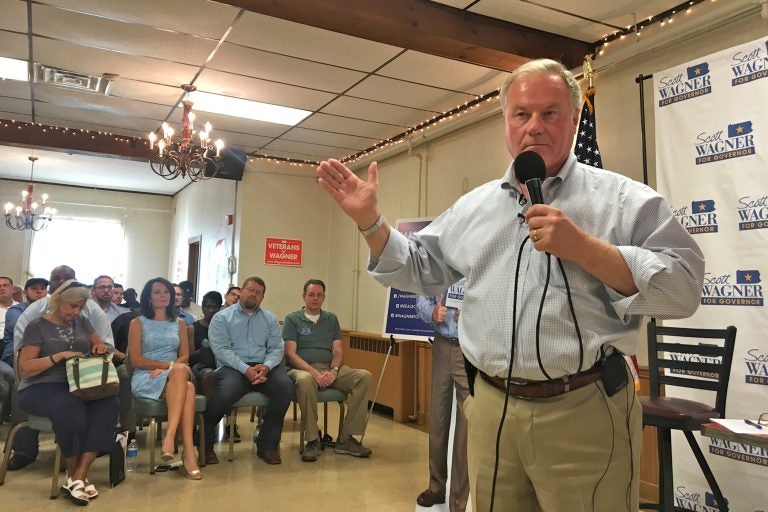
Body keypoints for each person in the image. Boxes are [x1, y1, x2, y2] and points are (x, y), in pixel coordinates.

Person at [316, 58, 704, 511]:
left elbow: (683, 288)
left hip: (585, 410)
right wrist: (370, 224)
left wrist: (584, 248)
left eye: (550, 113)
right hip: (492, 413)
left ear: (576, 119)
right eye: (522, 114)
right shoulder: (475, 207)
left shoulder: (623, 200)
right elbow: (420, 267)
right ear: (505, 122)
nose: (534, 127)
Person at [17, 280, 118, 505]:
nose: (77, 311)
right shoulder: (37, 326)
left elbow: (101, 346)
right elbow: (26, 368)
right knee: (69, 407)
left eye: (81, 307)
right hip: (40, 386)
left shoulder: (82, 322)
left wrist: (99, 349)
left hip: (78, 384)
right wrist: (58, 356)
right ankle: (76, 478)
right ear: (59, 301)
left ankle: (78, 477)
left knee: (109, 403)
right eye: (73, 306)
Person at [203, 277, 292, 466]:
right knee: (227, 389)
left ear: (262, 297)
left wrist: (266, 366)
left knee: (285, 386)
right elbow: (221, 350)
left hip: (263, 366)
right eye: (250, 290)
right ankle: (205, 443)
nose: (254, 294)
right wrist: (246, 369)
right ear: (241, 291)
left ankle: (267, 445)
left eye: (258, 292)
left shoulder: (269, 318)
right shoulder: (222, 317)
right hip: (233, 367)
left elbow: (277, 348)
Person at [283, 279, 372, 462]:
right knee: (306, 379)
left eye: (319, 295)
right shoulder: (292, 319)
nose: (315, 299)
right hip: (301, 369)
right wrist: (314, 373)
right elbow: (291, 354)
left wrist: (334, 370)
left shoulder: (331, 318)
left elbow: (338, 350)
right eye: (311, 295)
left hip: (329, 368)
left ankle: (346, 439)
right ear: (303, 296)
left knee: (363, 376)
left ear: (324, 297)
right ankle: (313, 440)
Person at [128, 277, 202, 480]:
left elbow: (185, 355)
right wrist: (166, 367)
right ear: (148, 298)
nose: (163, 295)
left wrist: (170, 369)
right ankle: (185, 451)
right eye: (157, 292)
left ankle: (172, 441)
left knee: (182, 376)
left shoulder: (179, 323)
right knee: (188, 386)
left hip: (172, 373)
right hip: (146, 376)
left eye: (166, 292)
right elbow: (135, 359)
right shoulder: (137, 323)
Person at [415, 289, 469, 511]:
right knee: (437, 417)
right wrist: (432, 311)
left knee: (467, 424)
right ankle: (436, 487)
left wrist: (473, 312)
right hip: (441, 343)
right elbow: (421, 298)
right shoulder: (438, 262)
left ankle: (459, 499)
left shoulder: (476, 261)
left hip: (468, 347)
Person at [1, 278, 49, 422]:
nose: (39, 291)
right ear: (25, 292)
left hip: (42, 353)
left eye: (42, 288)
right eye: (34, 288)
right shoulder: (16, 310)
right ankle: (21, 424)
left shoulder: (52, 310)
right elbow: (28, 331)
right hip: (14, 355)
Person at [187, 291, 221, 397]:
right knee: (209, 374)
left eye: (214, 307)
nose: (211, 310)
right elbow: (190, 356)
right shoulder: (192, 328)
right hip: (200, 366)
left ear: (219, 308)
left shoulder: (223, 328)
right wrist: (207, 347)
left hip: (220, 364)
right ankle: (208, 411)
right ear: (203, 308)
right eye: (207, 307)